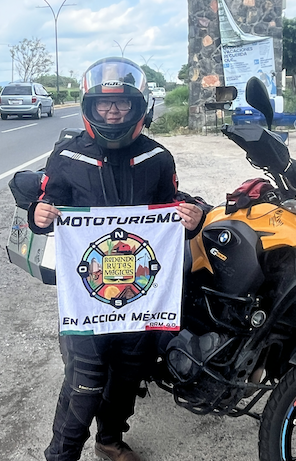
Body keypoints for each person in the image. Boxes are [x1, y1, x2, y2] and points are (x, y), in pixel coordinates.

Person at [28, 57, 206, 461]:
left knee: (130, 372)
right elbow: (47, 205)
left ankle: (109, 439)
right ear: (89, 107)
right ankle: (61, 455)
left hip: (141, 291)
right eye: (103, 104)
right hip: (86, 295)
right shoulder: (67, 157)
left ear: (138, 107)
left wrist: (191, 219)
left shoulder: (157, 157)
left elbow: (170, 213)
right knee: (85, 381)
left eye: (122, 103)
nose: (112, 111)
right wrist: (39, 215)